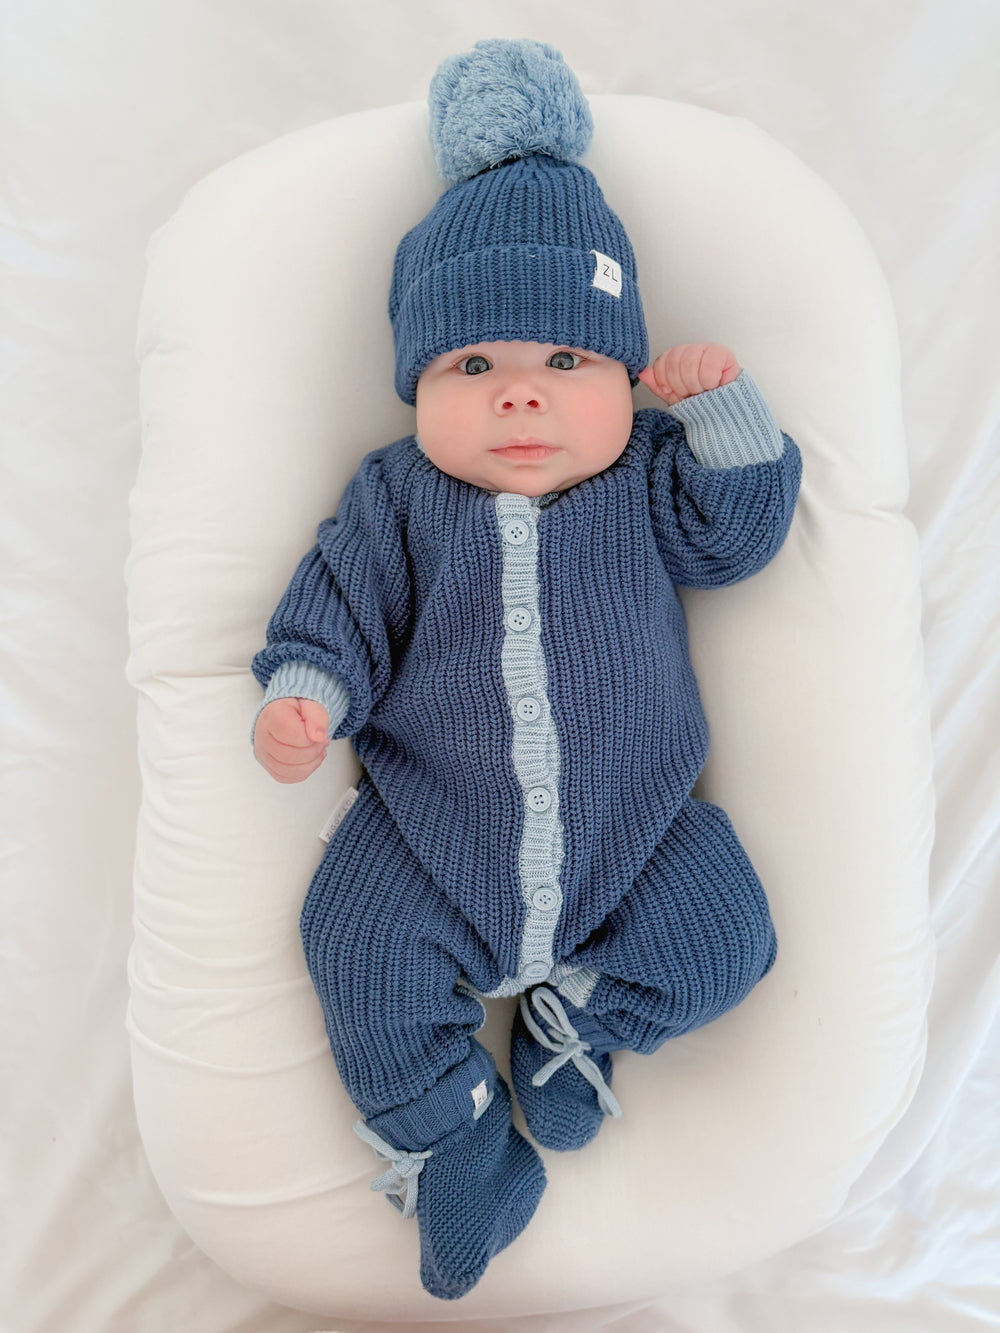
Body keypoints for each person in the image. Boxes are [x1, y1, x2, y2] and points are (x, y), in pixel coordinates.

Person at [250, 39, 801, 1301]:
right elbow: (335, 607)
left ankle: (578, 1022)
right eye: (472, 367)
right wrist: (305, 698)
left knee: (729, 933)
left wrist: (722, 421)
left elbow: (738, 539)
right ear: (415, 385)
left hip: (636, 828)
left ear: (621, 374)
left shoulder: (644, 475)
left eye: (565, 363)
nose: (520, 399)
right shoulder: (398, 497)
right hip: (430, 830)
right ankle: (456, 1141)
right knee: (352, 943)